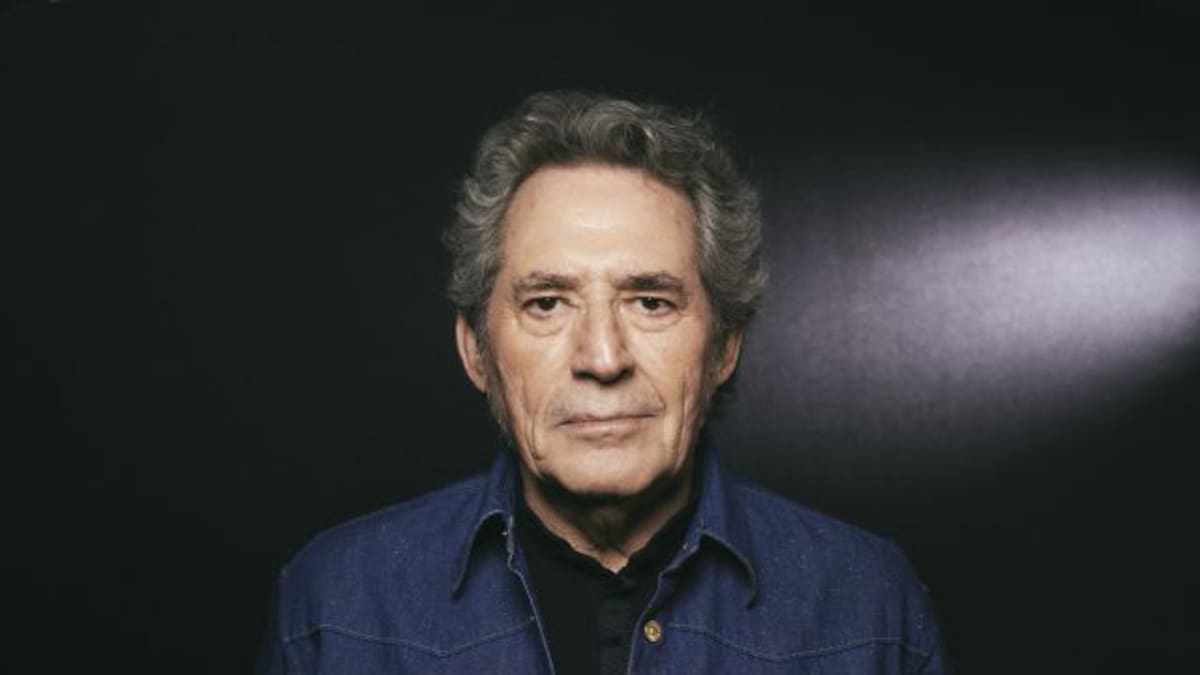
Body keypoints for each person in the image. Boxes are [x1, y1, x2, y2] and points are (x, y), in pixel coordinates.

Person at [256, 90, 949, 674]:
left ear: (724, 346)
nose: (603, 355)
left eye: (650, 301)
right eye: (547, 303)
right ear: (476, 352)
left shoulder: (869, 607)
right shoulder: (336, 606)